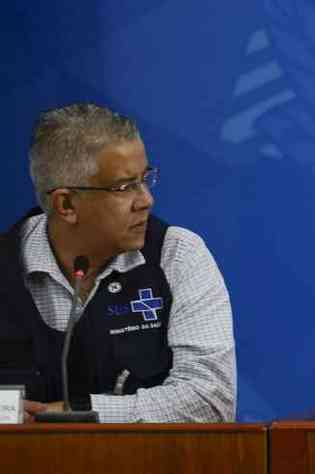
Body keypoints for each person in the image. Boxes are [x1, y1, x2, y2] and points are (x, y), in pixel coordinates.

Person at [0, 103, 236, 423]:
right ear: (66, 204)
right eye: (124, 187)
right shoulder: (8, 264)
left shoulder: (177, 254)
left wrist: (74, 414)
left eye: (145, 179)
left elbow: (210, 399)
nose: (146, 201)